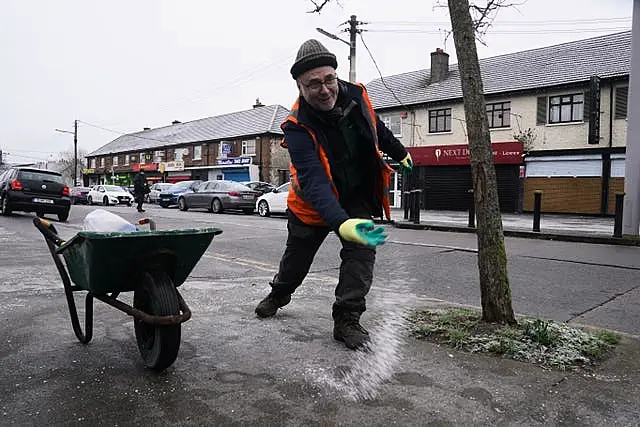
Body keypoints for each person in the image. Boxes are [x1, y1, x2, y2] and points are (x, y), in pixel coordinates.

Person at [254, 39, 413, 350]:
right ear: (300, 87)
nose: (324, 89)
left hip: (354, 193)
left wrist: (399, 151)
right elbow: (314, 181)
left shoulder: (356, 94)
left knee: (362, 252)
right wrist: (340, 222)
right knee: (296, 262)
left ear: (336, 75)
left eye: (329, 79)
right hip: (312, 205)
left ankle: (347, 319)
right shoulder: (297, 127)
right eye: (313, 84)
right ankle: (280, 292)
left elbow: (375, 127)